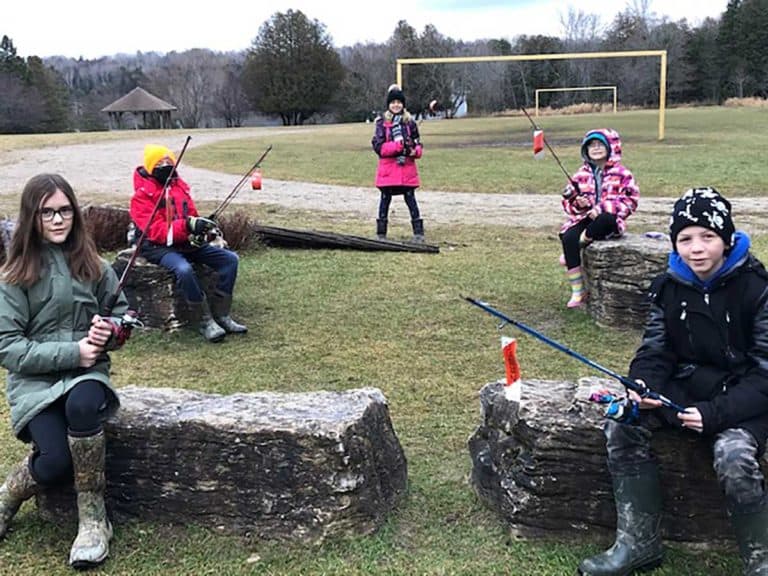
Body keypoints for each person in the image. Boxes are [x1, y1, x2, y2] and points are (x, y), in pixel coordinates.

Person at [578, 187, 768, 576]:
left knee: (733, 457)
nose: (696, 249)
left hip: (745, 401)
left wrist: (715, 414)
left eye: (707, 237)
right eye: (685, 239)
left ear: (727, 239)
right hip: (685, 392)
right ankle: (639, 544)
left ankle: (759, 560)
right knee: (623, 422)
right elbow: (655, 352)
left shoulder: (759, 289)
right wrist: (643, 386)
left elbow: (765, 372)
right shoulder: (669, 286)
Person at [0, 174, 133, 568]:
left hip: (86, 378)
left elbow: (125, 317)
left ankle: (93, 519)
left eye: (65, 210)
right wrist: (74, 351)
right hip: (34, 383)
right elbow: (9, 348)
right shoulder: (13, 277)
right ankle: (8, 494)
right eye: (47, 212)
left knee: (84, 404)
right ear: (32, 217)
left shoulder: (94, 266)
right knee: (55, 461)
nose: (58, 220)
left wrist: (111, 331)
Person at [130, 144, 247, 343]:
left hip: (184, 241)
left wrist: (202, 230)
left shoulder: (179, 187)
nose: (165, 165)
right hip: (157, 246)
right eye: (159, 163)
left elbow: (191, 215)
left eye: (169, 161)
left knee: (230, 260)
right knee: (183, 269)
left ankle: (222, 315)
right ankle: (204, 320)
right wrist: (188, 226)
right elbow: (156, 231)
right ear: (150, 167)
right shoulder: (141, 197)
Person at [559, 129, 639, 308]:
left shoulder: (622, 173)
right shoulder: (581, 174)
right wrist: (578, 203)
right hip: (585, 219)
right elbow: (567, 204)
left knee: (604, 220)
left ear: (611, 147)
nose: (595, 148)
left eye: (600, 144)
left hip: (608, 220)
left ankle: (574, 247)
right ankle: (578, 291)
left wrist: (602, 208)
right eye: (591, 145)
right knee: (568, 236)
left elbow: (631, 201)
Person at [371, 84, 425, 243]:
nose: (396, 105)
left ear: (403, 104)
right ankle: (381, 234)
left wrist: (414, 151)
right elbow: (379, 147)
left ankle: (418, 233)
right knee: (385, 199)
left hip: (406, 168)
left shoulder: (410, 123)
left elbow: (418, 143)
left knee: (410, 198)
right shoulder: (381, 123)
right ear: (388, 104)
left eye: (399, 102)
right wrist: (398, 147)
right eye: (393, 102)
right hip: (389, 170)